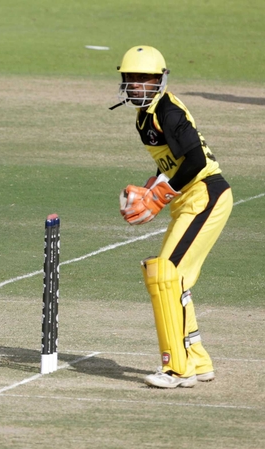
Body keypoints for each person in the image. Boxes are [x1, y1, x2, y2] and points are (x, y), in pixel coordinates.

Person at [114, 46, 232, 388]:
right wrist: (153, 187)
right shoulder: (144, 116)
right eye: (130, 79)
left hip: (206, 194)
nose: (136, 85)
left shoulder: (168, 110)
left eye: (143, 78)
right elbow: (170, 161)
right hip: (189, 199)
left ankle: (176, 369)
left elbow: (194, 161)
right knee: (173, 278)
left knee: (164, 274)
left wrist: (160, 197)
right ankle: (197, 360)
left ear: (159, 79)